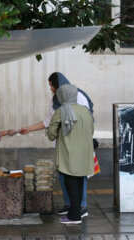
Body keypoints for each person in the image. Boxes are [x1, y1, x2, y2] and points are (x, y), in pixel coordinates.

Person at [19, 72, 94, 217]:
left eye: (52, 86)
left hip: (77, 144)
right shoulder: (56, 101)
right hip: (64, 146)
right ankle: (70, 204)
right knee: (63, 174)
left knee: (78, 175)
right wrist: (28, 129)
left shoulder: (79, 97)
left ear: (58, 85)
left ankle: (81, 206)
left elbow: (54, 129)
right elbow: (48, 121)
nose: (51, 89)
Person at [47, 84, 94, 224]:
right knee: (79, 181)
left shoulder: (61, 111)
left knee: (70, 181)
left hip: (68, 152)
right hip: (84, 152)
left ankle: (74, 216)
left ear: (62, 96)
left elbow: (51, 134)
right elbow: (91, 130)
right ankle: (77, 211)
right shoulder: (86, 111)